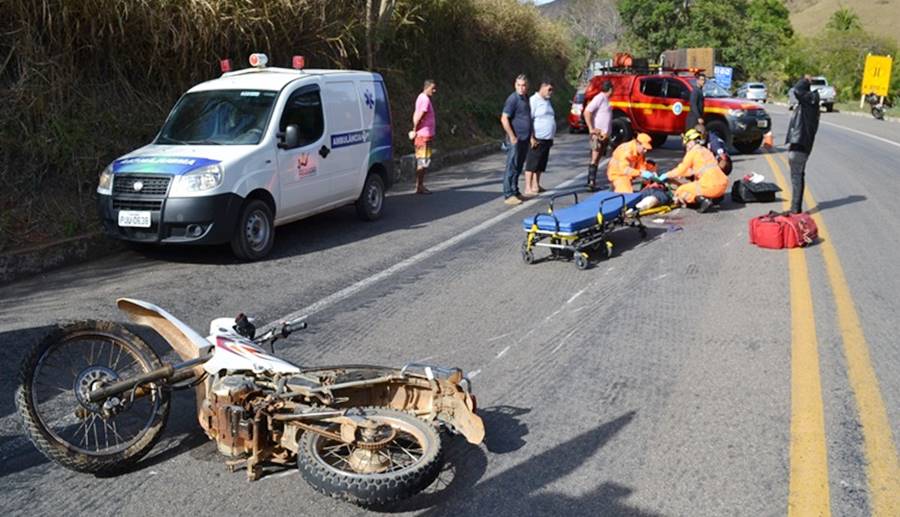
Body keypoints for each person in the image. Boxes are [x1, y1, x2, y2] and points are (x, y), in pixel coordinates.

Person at [659, 128, 728, 212]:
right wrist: (683, 175)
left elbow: (681, 169)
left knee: (680, 190)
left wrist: (666, 175)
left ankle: (701, 200)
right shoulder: (706, 151)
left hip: (710, 186)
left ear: (691, 142)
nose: (686, 147)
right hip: (723, 185)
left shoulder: (692, 153)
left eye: (687, 144)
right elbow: (696, 170)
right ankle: (714, 198)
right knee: (694, 185)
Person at [785, 76, 820, 213]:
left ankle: (795, 209)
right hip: (801, 143)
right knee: (798, 175)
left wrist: (806, 80)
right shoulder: (809, 105)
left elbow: (797, 90)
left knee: (796, 176)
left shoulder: (809, 103)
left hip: (801, 144)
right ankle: (795, 207)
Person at [500, 75, 532, 205]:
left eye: (523, 85)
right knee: (511, 166)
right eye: (519, 85)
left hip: (524, 139)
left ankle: (515, 191)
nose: (521, 88)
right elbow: (504, 118)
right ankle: (508, 195)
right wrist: (512, 136)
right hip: (515, 140)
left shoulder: (526, 98)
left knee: (518, 166)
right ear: (515, 85)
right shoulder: (512, 99)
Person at [524, 79, 555, 196]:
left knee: (541, 163)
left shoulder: (547, 101)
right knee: (532, 163)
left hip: (547, 138)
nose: (551, 92)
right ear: (542, 87)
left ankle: (536, 184)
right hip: (537, 138)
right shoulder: (534, 100)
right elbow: (529, 119)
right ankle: (528, 186)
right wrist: (531, 137)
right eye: (549, 89)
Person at [584, 80, 613, 191]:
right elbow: (587, 112)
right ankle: (591, 182)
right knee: (594, 157)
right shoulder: (599, 98)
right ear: (610, 89)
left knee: (598, 157)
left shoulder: (606, 100)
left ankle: (591, 181)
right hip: (598, 134)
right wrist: (591, 129)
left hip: (604, 135)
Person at [411, 79, 437, 194]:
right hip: (423, 135)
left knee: (423, 160)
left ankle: (419, 185)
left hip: (424, 134)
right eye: (433, 88)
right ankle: (419, 185)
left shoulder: (420, 97)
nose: (434, 91)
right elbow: (420, 115)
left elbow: (415, 114)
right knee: (423, 161)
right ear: (427, 87)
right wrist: (415, 128)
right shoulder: (425, 99)